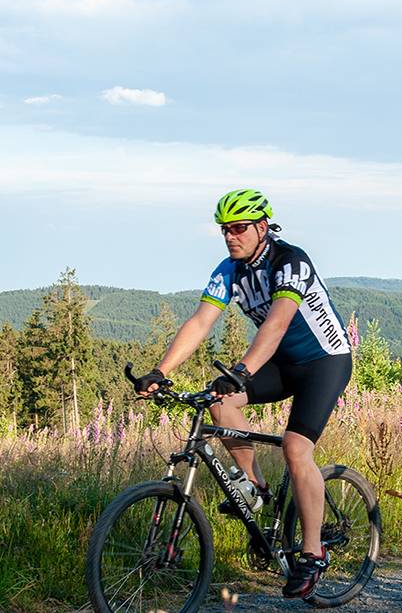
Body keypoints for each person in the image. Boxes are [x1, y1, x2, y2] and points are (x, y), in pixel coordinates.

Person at [132, 189, 354, 599]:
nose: (230, 237)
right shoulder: (229, 269)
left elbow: (277, 324)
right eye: (224, 230)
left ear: (262, 227)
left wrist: (241, 371)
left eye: (238, 228)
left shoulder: (290, 261)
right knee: (219, 401)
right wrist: (160, 371)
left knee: (295, 448)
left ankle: (312, 552)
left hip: (325, 361)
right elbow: (201, 322)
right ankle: (255, 487)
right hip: (281, 363)